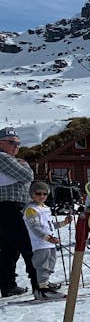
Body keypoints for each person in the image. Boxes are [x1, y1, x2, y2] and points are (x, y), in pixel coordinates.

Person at [0, 127, 41, 298]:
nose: (16, 146)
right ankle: (40, 284)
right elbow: (27, 175)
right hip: (9, 207)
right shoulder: (2, 157)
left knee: (9, 249)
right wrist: (23, 165)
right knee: (28, 244)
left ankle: (8, 285)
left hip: (8, 208)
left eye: (18, 143)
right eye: (11, 143)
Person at [23, 181, 72, 299]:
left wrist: (64, 222)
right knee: (42, 264)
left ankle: (45, 283)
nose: (41, 196)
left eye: (44, 194)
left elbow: (49, 225)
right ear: (32, 194)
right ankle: (42, 289)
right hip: (40, 243)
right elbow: (35, 228)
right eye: (38, 193)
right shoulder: (31, 209)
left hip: (49, 242)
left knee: (50, 263)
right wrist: (48, 238)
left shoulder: (44, 208)